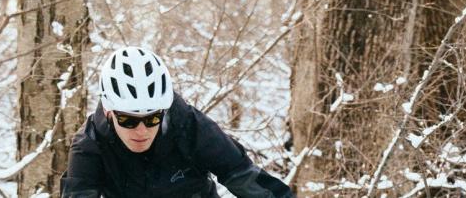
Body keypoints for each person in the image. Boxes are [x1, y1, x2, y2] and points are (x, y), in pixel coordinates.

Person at [60, 46, 295, 198]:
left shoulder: (190, 127)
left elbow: (249, 181)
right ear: (110, 113)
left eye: (152, 118)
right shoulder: (89, 145)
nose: (141, 130)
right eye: (128, 120)